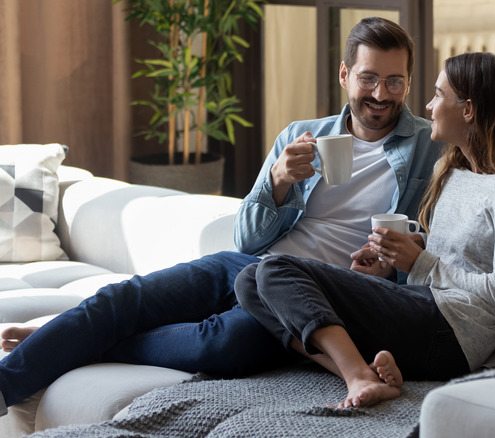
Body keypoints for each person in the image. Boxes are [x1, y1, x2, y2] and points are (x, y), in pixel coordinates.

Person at [0, 16, 444, 417]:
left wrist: (396, 262)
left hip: (316, 297)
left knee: (222, 343)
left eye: (395, 82)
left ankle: (64, 340)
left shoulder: (433, 147)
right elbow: (247, 239)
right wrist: (277, 179)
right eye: (369, 79)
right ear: (345, 75)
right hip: (250, 268)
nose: (381, 95)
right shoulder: (301, 136)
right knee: (123, 299)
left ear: (408, 82)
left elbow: (437, 245)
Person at [234, 52, 495, 409]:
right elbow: (458, 254)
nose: (427, 105)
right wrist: (395, 257)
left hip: (456, 333)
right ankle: (363, 371)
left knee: (275, 268)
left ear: (468, 109)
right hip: (423, 311)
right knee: (249, 281)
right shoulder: (452, 172)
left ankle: (357, 376)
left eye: (439, 95)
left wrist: (420, 262)